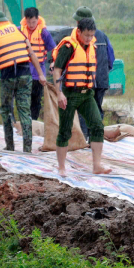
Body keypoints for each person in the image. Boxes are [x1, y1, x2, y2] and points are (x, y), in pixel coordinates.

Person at [0, 11, 46, 152]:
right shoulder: (18, 32)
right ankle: (28, 148)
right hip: (25, 75)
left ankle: (10, 145)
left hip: (8, 77)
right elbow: (32, 54)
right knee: (25, 111)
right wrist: (41, 75)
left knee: (6, 110)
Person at [49, 17, 111, 176]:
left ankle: (97, 165)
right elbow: (57, 70)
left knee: (97, 125)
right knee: (65, 130)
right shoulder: (68, 46)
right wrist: (59, 93)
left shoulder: (92, 46)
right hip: (69, 94)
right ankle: (61, 167)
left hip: (87, 94)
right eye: (86, 35)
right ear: (78, 31)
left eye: (92, 35)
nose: (89, 38)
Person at [72, 7, 114, 137]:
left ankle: (84, 138)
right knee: (96, 111)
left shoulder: (78, 37)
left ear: (79, 22)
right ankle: (95, 139)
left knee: (84, 111)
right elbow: (111, 59)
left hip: (85, 82)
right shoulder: (103, 36)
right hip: (101, 81)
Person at [19, 7, 55, 121]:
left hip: (38, 71)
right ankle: (25, 120)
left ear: (37, 19)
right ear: (25, 20)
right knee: (23, 97)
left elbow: (54, 49)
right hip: (23, 70)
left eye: (33, 22)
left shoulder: (44, 32)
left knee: (36, 98)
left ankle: (33, 121)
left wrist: (53, 62)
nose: (31, 24)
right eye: (28, 22)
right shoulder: (19, 30)